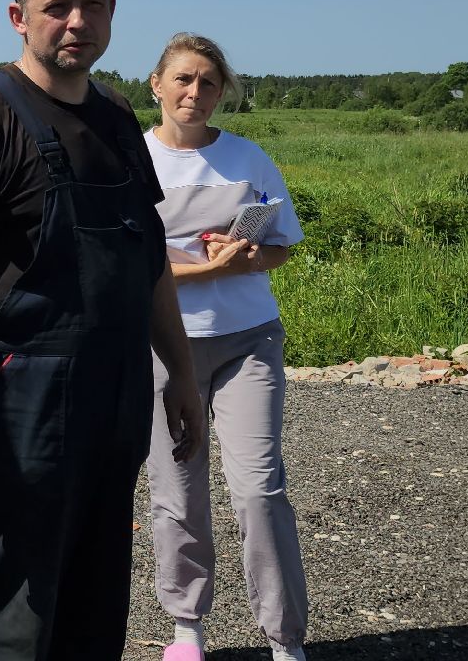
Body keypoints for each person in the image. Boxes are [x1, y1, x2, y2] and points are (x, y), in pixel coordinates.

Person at [0, 0, 206, 660]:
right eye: (57, 6)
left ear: (111, 12)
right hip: (20, 406)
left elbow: (149, 262)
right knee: (8, 604)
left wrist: (182, 378)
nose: (77, 20)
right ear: (19, 16)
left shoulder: (115, 116)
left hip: (116, 394)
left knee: (94, 594)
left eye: (91, 4)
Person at [141, 33, 308, 661]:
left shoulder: (248, 157)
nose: (195, 92)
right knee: (176, 488)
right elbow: (130, 264)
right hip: (163, 344)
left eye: (208, 82)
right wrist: (207, 269)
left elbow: (282, 245)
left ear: (222, 92)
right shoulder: (133, 159)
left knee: (260, 489)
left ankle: (285, 639)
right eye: (182, 79)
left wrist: (244, 256)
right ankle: (187, 627)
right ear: (156, 84)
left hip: (249, 340)